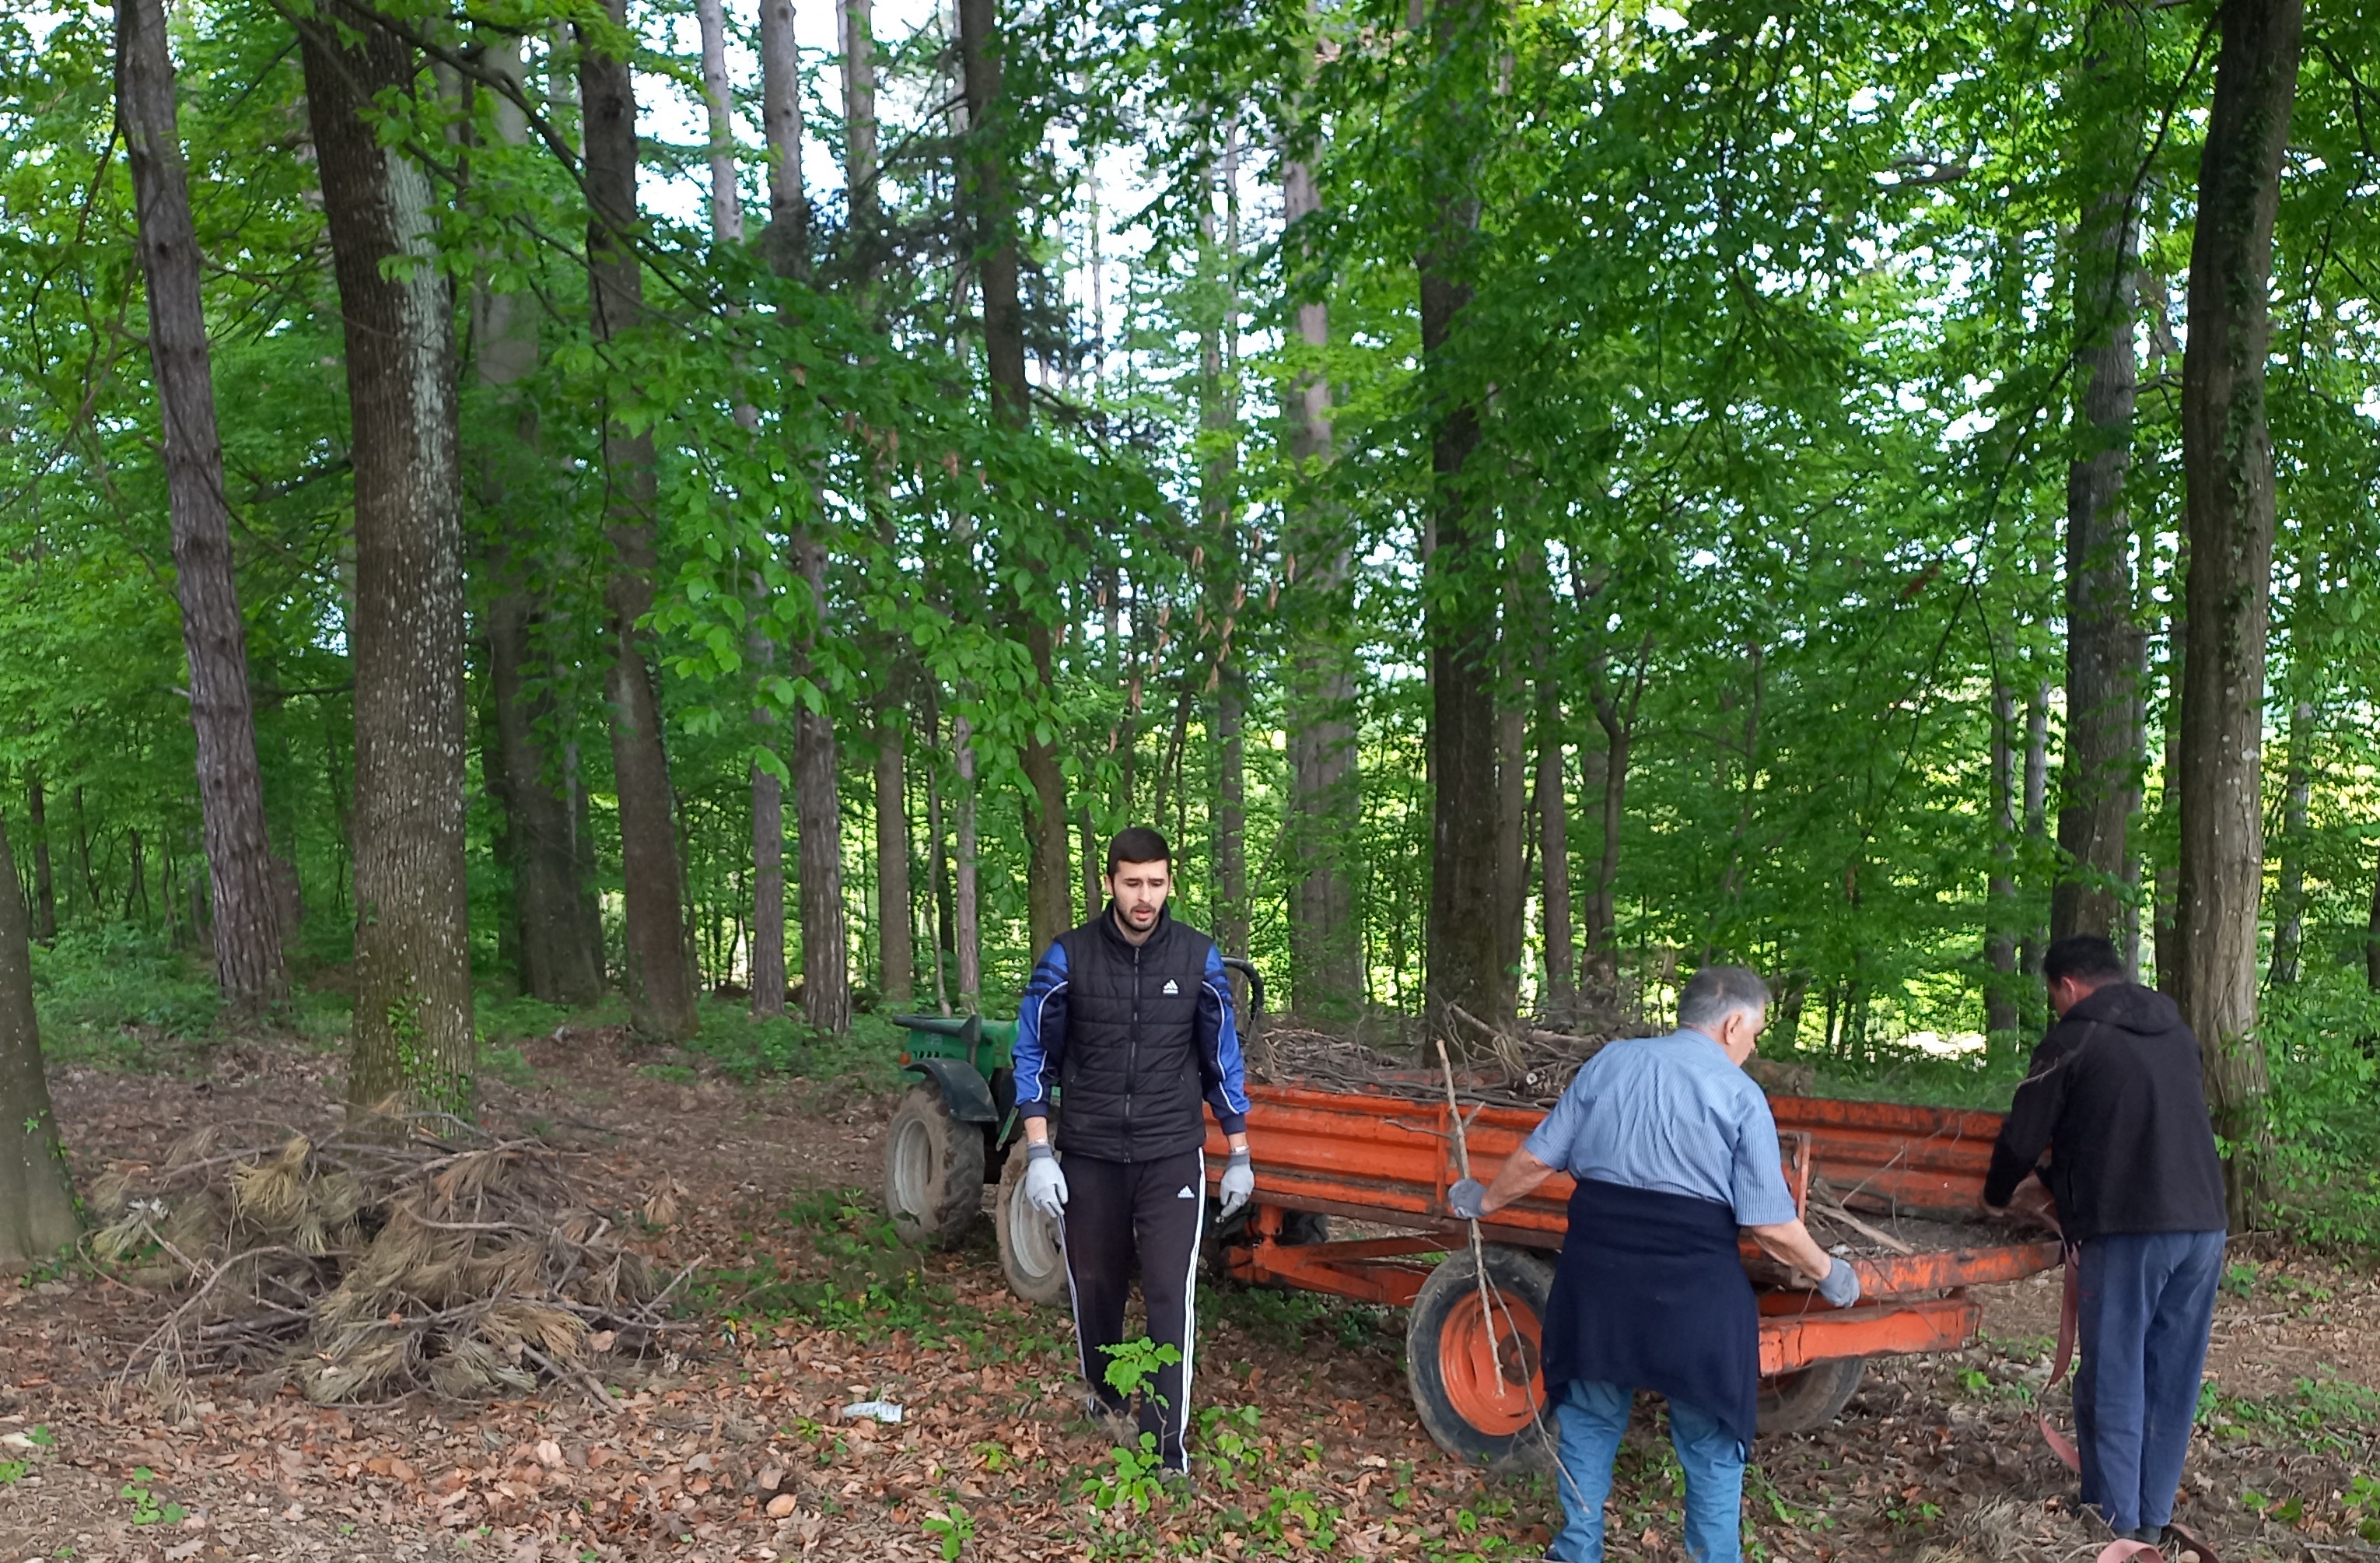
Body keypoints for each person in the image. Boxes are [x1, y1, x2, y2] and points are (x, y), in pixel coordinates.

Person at [1447, 966, 1858, 1563]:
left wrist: (1483, 1199)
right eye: (1755, 1032)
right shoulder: (1740, 1095)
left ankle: (1576, 1549)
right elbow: (1770, 1225)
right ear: (1732, 1024)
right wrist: (1828, 1271)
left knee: (1588, 1416)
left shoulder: (1610, 1062)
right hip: (1694, 1291)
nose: (1753, 1046)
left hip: (1599, 1279)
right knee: (1711, 1433)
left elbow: (1538, 1159)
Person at [1010, 825, 1255, 1476]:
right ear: (1109, 883)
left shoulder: (1197, 958)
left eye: (1156, 882)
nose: (1144, 897)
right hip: (1089, 1152)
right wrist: (1039, 1150)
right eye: (1132, 883)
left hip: (1171, 1153)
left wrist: (1239, 1150)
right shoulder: (1069, 957)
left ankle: (1166, 1449)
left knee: (1171, 1292)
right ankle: (1108, 1396)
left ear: (1170, 882)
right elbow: (1033, 1052)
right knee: (1095, 1285)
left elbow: (1222, 1057)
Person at [1983, 934, 2228, 1550]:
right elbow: (2126, 1123)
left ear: (2067, 985)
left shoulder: (2073, 1038)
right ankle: (2150, 1513)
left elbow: (2022, 1136)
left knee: (2114, 1371)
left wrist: (1995, 1194)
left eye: (2054, 995)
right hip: (2203, 1222)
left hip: (2129, 1227)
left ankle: (2116, 1523)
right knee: (2171, 1373)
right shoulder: (2177, 1032)